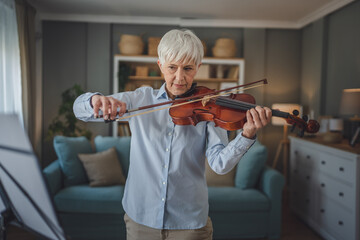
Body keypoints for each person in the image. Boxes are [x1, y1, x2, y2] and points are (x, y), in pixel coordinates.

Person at [73, 29, 272, 240]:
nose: (179, 77)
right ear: (160, 66)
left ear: (198, 68)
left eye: (187, 68)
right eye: (172, 67)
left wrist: (246, 135)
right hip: (141, 218)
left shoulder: (210, 107)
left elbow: (220, 164)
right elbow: (80, 110)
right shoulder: (139, 99)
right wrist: (95, 100)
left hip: (189, 223)